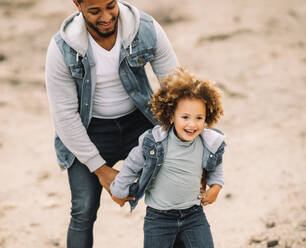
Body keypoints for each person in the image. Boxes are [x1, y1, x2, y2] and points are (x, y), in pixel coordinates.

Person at [45, 0, 179, 247]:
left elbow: (176, 86)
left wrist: (187, 144)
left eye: (110, 6)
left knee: (172, 199)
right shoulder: (62, 47)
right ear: (77, 4)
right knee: (83, 210)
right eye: (95, 11)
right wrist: (101, 170)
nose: (106, 17)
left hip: (140, 124)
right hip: (90, 131)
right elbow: (64, 116)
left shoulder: (145, 29)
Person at [110, 68, 226, 248]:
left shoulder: (209, 143)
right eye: (185, 117)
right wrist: (119, 190)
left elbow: (216, 165)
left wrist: (216, 187)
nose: (192, 124)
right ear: (171, 116)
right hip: (159, 219)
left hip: (193, 215)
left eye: (199, 118)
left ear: (207, 118)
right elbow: (132, 164)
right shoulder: (155, 142)